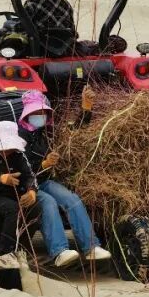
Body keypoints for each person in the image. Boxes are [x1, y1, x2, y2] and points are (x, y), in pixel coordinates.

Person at [17, 89, 111, 267]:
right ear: (27, 114)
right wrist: (43, 164)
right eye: (36, 112)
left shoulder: (47, 132)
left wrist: (86, 109)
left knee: (71, 199)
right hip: (27, 185)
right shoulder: (19, 136)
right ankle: (59, 251)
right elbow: (20, 167)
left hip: (44, 181)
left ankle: (91, 247)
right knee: (49, 203)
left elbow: (72, 133)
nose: (40, 116)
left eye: (43, 112)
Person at [0, 120, 40, 267]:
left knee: (35, 208)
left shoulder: (18, 154)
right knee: (13, 209)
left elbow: (30, 175)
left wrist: (31, 191)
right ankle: (4, 254)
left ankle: (21, 250)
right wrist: (0, 178)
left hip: (12, 194)